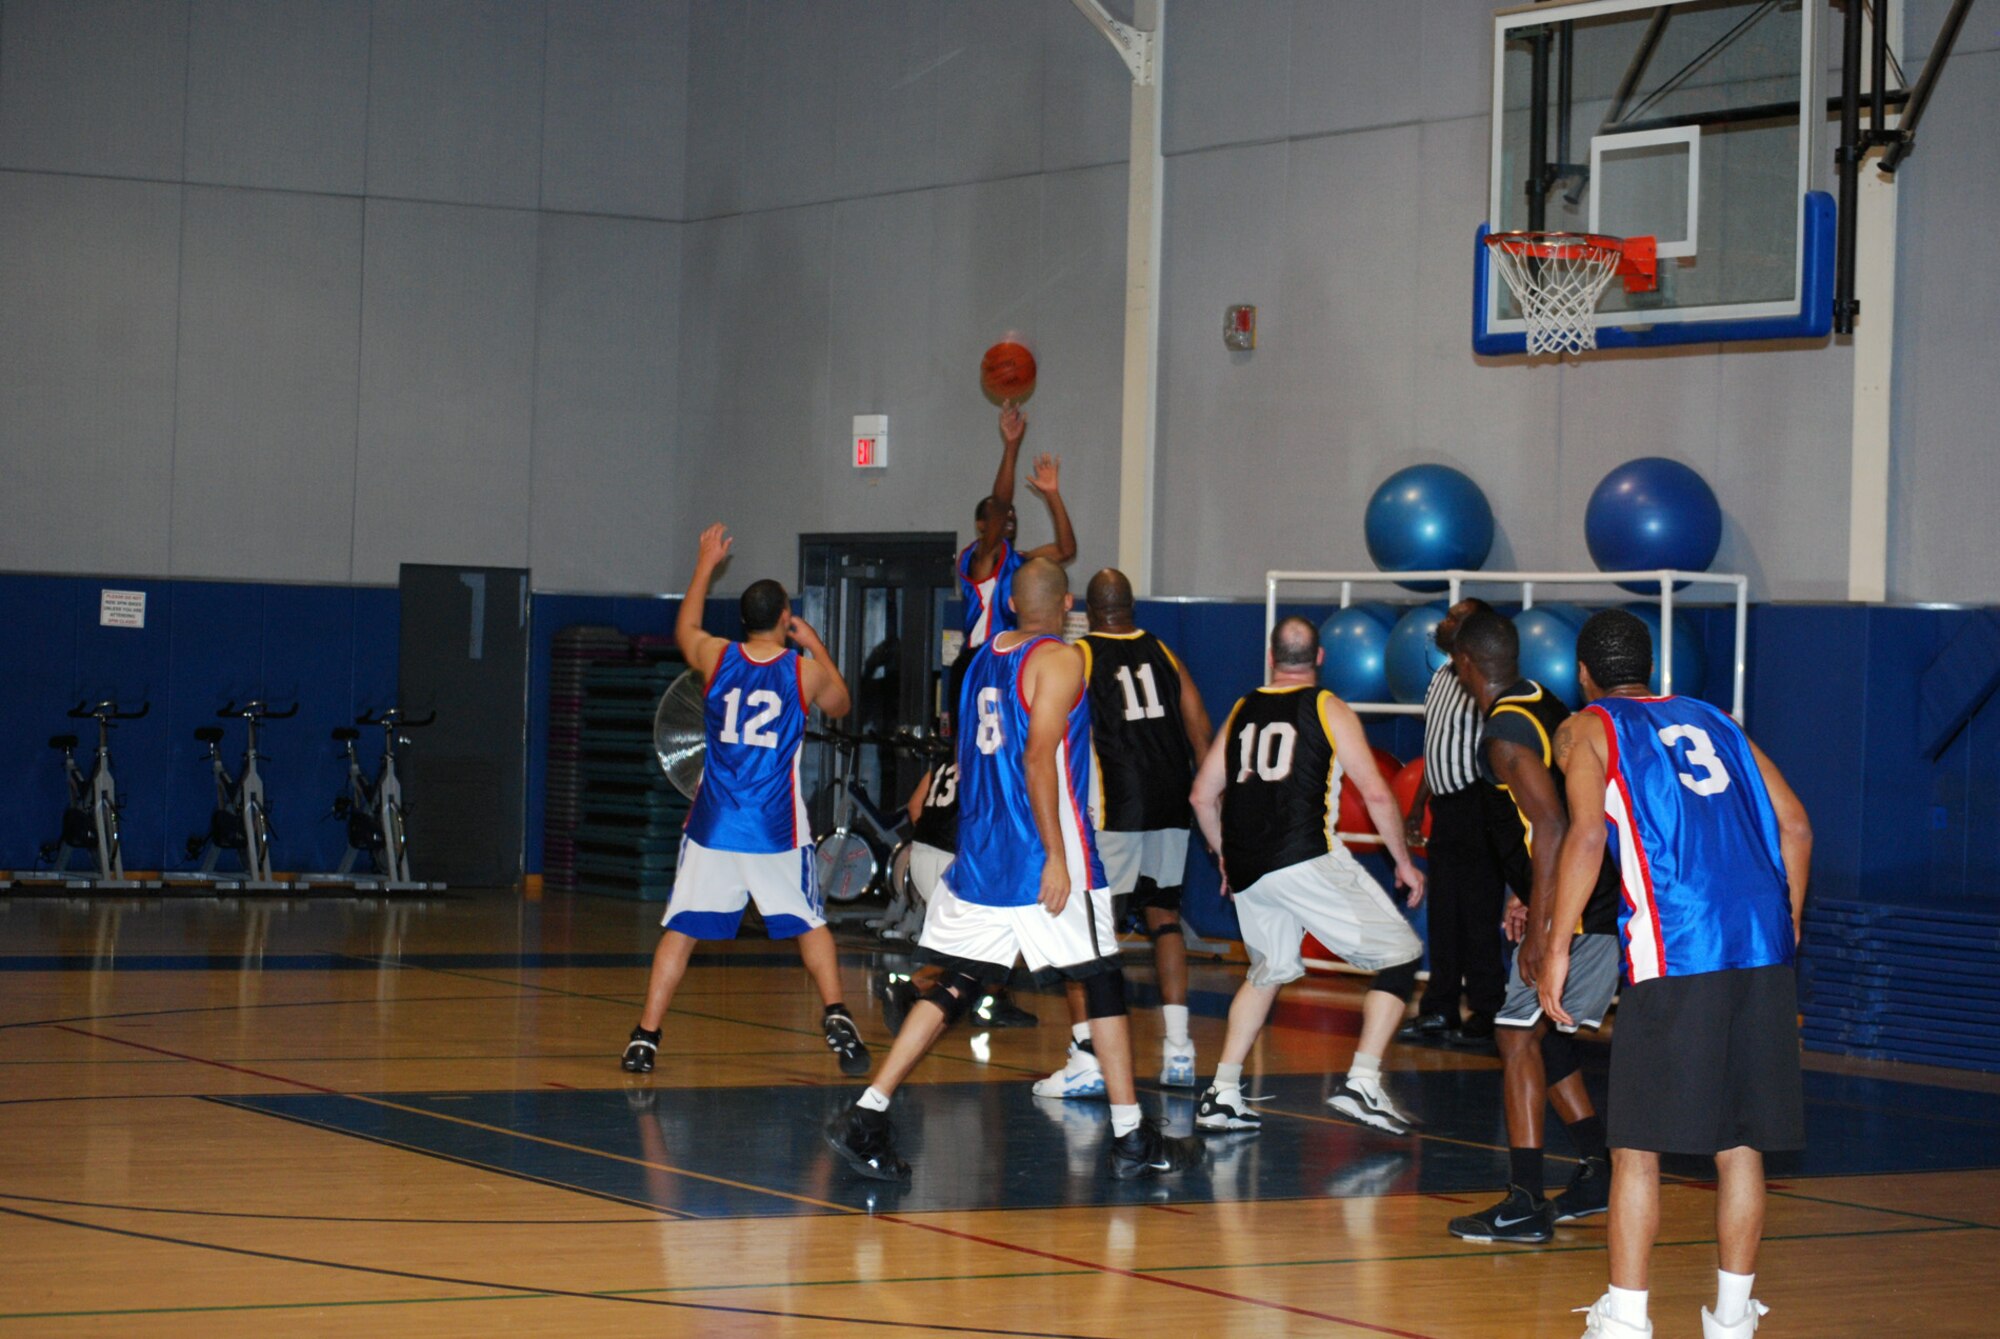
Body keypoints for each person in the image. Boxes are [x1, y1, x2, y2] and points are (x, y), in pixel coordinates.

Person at [823, 559, 1202, 1182]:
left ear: (1012, 605)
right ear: (1067, 606)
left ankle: (866, 1112)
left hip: (983, 853)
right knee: (1101, 978)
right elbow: (1036, 759)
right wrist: (1055, 853)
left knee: (958, 983)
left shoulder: (980, 662)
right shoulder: (1061, 661)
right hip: (1041, 851)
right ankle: (1133, 1135)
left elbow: (975, 757)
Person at [1542, 610, 1812, 1339]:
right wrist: (1786, 928)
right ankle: (1732, 1317)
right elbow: (1795, 826)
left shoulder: (1586, 728)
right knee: (1742, 1142)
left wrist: (1559, 944)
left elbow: (1588, 832)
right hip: (1759, 943)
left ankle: (1626, 1318)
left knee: (1635, 1143)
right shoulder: (1717, 719)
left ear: (1583, 672)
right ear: (1653, 664)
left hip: (1678, 943)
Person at [621, 524, 871, 1079]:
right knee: (809, 922)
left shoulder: (715, 656)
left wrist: (706, 563)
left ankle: (645, 1038)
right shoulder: (802, 672)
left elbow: (684, 626)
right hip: (775, 826)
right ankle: (836, 1014)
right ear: (785, 618)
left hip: (714, 822)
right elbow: (842, 704)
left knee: (680, 930)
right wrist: (814, 643)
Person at [1188, 617, 1428, 1136]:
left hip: (1252, 866)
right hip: (1307, 858)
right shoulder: (1328, 707)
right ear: (1320, 659)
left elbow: (1201, 797)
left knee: (1268, 971)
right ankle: (1362, 1081)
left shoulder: (1241, 708)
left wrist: (1226, 856)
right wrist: (1404, 863)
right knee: (1403, 955)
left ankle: (1222, 1092)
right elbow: (1380, 794)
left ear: (1271, 656)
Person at [1443, 609, 1618, 1244]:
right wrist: (1526, 892)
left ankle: (1523, 1201)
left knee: (1514, 1035)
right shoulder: (1542, 702)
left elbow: (1551, 825)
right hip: (1586, 902)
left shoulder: (1505, 734)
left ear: (1465, 666)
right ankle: (1598, 1171)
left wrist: (1546, 930)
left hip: (1579, 912)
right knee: (1545, 1036)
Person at [1033, 568, 1214, 1097]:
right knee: (1165, 920)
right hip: (1172, 801)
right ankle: (1179, 1049)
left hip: (1116, 807)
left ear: (1084, 613)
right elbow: (1200, 730)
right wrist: (1207, 810)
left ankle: (1088, 1052)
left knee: (1088, 933)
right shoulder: (1164, 651)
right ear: (1132, 607)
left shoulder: (1080, 657)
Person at [1398, 598, 1521, 1046]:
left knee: (1479, 912)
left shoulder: (1482, 683)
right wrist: (1417, 806)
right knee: (1444, 911)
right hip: (1446, 807)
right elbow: (1436, 750)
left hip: (1479, 804)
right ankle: (1441, 1007)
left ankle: (1488, 1007)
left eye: (1455, 617)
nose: (1445, 623)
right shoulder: (1440, 679)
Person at [876, 753, 1037, 1029]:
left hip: (922, 856)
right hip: (955, 860)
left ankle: (991, 998)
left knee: (983, 938)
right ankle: (912, 986)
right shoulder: (992, 760)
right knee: (990, 937)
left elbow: (915, 807)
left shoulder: (943, 761)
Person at [948, 403, 1076, 724]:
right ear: (982, 525)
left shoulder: (1022, 563)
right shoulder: (980, 558)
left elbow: (1066, 549)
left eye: (1014, 517)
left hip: (1014, 657)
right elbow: (1002, 502)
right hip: (979, 658)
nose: (1010, 519)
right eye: (1002, 517)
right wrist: (1012, 446)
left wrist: (1053, 495)